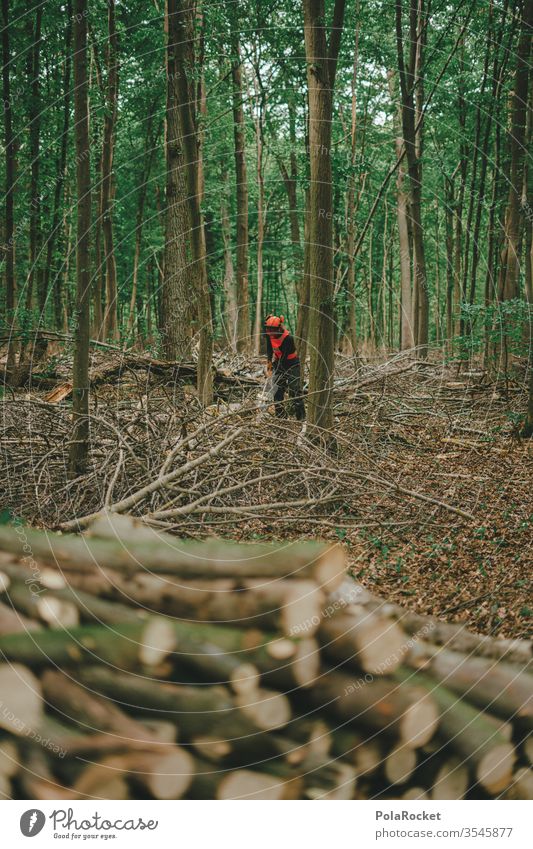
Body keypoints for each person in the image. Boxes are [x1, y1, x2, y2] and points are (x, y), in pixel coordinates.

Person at [264, 315, 305, 421]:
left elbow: (285, 356)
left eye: (273, 330)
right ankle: (280, 417)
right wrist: (269, 362)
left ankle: (301, 418)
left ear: (279, 328)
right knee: (277, 390)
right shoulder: (268, 334)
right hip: (279, 361)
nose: (270, 332)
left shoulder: (288, 337)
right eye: (269, 329)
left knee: (294, 390)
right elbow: (269, 348)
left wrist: (276, 369)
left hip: (292, 363)